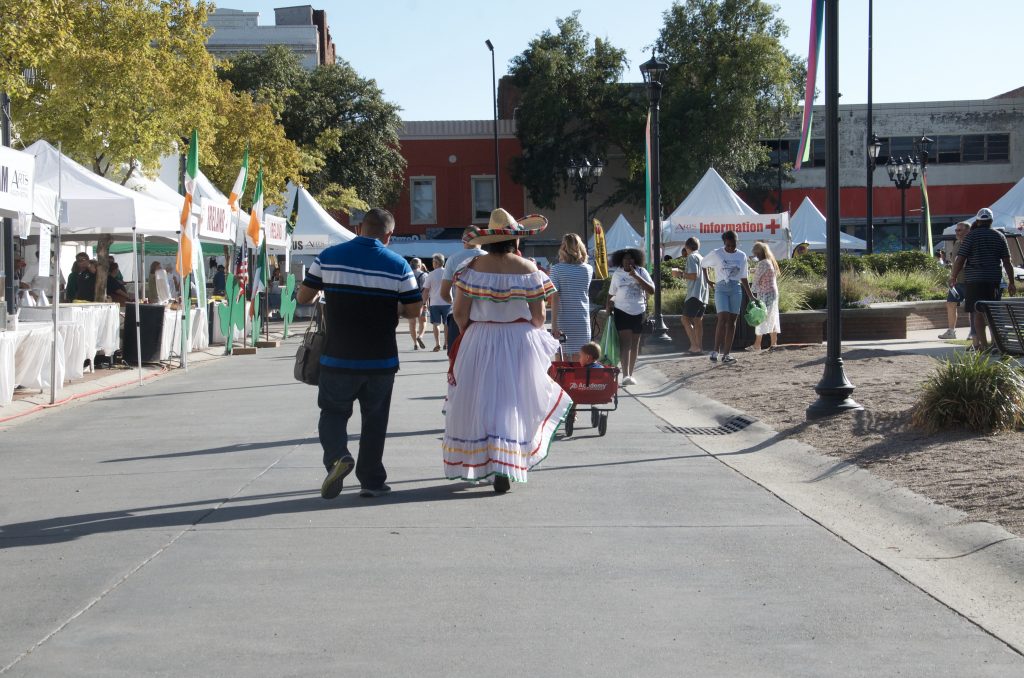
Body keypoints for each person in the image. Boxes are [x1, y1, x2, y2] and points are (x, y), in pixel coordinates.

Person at [296, 208, 423, 500]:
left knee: (333, 413)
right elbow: (415, 309)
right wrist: (395, 306)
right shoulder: (399, 265)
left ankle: (337, 457)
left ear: (360, 227)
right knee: (375, 420)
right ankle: (372, 481)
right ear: (388, 235)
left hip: (337, 357)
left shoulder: (329, 256)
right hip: (381, 360)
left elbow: (304, 297)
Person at [442, 208, 570, 494]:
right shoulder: (529, 269)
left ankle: (488, 461)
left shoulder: (472, 268)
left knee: (481, 399)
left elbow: (459, 312)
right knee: (515, 399)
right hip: (518, 337)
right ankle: (507, 462)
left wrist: (471, 332)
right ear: (516, 241)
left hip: (481, 335)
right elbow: (539, 317)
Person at [948, 207, 1016, 352]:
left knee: (978, 312)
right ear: (991, 221)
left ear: (978, 221)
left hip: (974, 280)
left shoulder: (971, 237)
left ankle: (983, 345)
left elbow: (960, 259)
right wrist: (1011, 282)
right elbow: (1007, 261)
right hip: (993, 280)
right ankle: (996, 344)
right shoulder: (999, 236)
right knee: (993, 312)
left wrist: (953, 276)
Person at [701, 230, 753, 364]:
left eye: (733, 245)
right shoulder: (717, 253)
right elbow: (703, 264)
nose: (730, 248)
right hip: (721, 288)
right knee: (722, 318)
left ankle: (727, 354)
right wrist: (707, 280)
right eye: (728, 245)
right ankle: (715, 351)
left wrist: (751, 296)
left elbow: (744, 277)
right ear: (724, 243)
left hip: (736, 288)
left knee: (732, 322)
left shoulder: (742, 256)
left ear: (737, 242)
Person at [606, 248, 655, 386]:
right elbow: (611, 293)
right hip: (621, 310)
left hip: (639, 311)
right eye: (625, 259)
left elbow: (651, 290)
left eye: (631, 258)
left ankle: (631, 374)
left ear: (636, 260)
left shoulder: (641, 271)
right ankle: (626, 374)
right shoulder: (617, 274)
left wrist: (636, 276)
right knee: (625, 343)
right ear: (621, 260)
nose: (628, 261)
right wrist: (608, 307)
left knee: (635, 344)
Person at [548, 233, 594, 359]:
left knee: (561, 362)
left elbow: (555, 298)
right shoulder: (588, 269)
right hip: (582, 320)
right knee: (580, 362)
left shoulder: (557, 269)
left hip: (564, 320)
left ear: (563, 248)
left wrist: (554, 325)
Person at [441, 227, 486, 353]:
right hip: (485, 317)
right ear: (482, 239)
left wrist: (454, 302)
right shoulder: (489, 258)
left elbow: (444, 293)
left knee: (456, 360)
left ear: (463, 240)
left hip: (458, 315)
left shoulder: (453, 259)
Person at [939, 221, 970, 339]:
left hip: (969, 280)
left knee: (972, 307)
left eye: (960, 230)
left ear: (968, 231)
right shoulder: (957, 243)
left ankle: (973, 333)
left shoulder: (971, 243)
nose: (957, 232)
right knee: (950, 303)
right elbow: (954, 261)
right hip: (957, 280)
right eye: (956, 230)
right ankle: (951, 331)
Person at [679, 237, 709, 355]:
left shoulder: (691, 257)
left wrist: (680, 273)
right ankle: (699, 347)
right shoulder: (701, 257)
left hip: (694, 294)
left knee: (685, 319)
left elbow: (693, 276)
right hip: (703, 294)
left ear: (687, 247)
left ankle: (694, 346)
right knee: (698, 320)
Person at [750, 242, 781, 352]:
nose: (755, 256)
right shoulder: (769, 262)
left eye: (755, 254)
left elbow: (755, 283)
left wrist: (751, 292)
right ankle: (774, 344)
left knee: (760, 317)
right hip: (772, 293)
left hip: (765, 294)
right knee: (772, 318)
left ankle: (757, 345)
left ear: (759, 253)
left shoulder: (762, 263)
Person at [421, 253, 449, 351]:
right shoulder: (448, 272)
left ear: (436, 263)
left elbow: (426, 290)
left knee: (436, 324)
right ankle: (446, 343)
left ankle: (438, 344)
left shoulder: (431, 274)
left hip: (434, 303)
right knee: (447, 324)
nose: (432, 263)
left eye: (433, 262)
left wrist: (424, 303)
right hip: (448, 302)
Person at [407, 257, 429, 350]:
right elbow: (426, 290)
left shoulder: (407, 274)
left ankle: (415, 344)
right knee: (423, 321)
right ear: (419, 265)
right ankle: (420, 336)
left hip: (409, 301)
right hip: (420, 300)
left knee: (412, 323)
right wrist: (425, 303)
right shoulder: (424, 275)